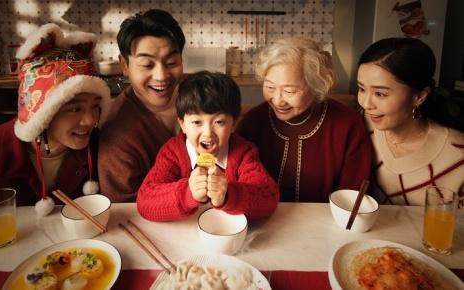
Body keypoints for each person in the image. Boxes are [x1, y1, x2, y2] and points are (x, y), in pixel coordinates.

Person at [0, 23, 111, 214]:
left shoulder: (100, 148)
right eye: (75, 109)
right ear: (42, 112)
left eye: (95, 106)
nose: (91, 120)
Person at [236, 37, 372, 202]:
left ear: (316, 86)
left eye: (290, 91)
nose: (278, 100)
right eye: (270, 87)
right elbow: (235, 177)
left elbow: (352, 192)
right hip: (261, 218)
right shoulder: (253, 121)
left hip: (325, 221)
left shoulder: (346, 124)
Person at [137, 71, 279, 221]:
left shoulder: (243, 153)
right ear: (182, 124)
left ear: (233, 124)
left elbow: (268, 199)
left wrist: (229, 195)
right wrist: (187, 193)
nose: (208, 134)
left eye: (219, 122)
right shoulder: (173, 152)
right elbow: (145, 201)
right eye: (197, 122)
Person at [356, 37, 464, 206]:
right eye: (361, 89)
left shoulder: (458, 157)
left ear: (419, 96)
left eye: (380, 94)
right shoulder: (363, 124)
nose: (366, 103)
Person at [98, 9, 185, 202]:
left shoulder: (199, 99)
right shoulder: (118, 135)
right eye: (147, 65)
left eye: (171, 62)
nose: (162, 76)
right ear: (125, 66)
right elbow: (123, 209)